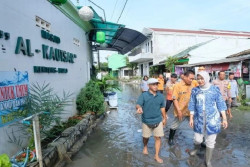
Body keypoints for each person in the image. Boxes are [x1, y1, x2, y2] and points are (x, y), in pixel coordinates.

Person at [188, 71, 228, 167]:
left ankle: (208, 161)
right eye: (198, 78)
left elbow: (220, 104)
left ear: (206, 78)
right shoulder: (195, 90)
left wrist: (225, 119)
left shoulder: (215, 89)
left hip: (213, 118)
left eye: (202, 78)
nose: (200, 81)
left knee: (210, 141)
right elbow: (192, 104)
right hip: (199, 118)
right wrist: (191, 118)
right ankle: (196, 148)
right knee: (198, 139)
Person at [136, 78, 167, 164]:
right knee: (146, 137)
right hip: (146, 121)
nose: (156, 86)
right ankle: (145, 146)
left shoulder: (160, 96)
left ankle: (156, 155)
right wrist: (139, 108)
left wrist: (164, 118)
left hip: (158, 120)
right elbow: (138, 104)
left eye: (156, 84)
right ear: (148, 85)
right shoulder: (144, 95)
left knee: (158, 138)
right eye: (153, 84)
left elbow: (162, 108)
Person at [168, 70, 197, 145]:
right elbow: (174, 99)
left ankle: (200, 140)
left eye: (193, 78)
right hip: (181, 110)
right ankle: (170, 139)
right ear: (185, 77)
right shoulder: (177, 85)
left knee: (196, 125)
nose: (192, 80)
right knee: (175, 125)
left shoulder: (194, 83)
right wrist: (179, 111)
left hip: (191, 110)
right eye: (190, 78)